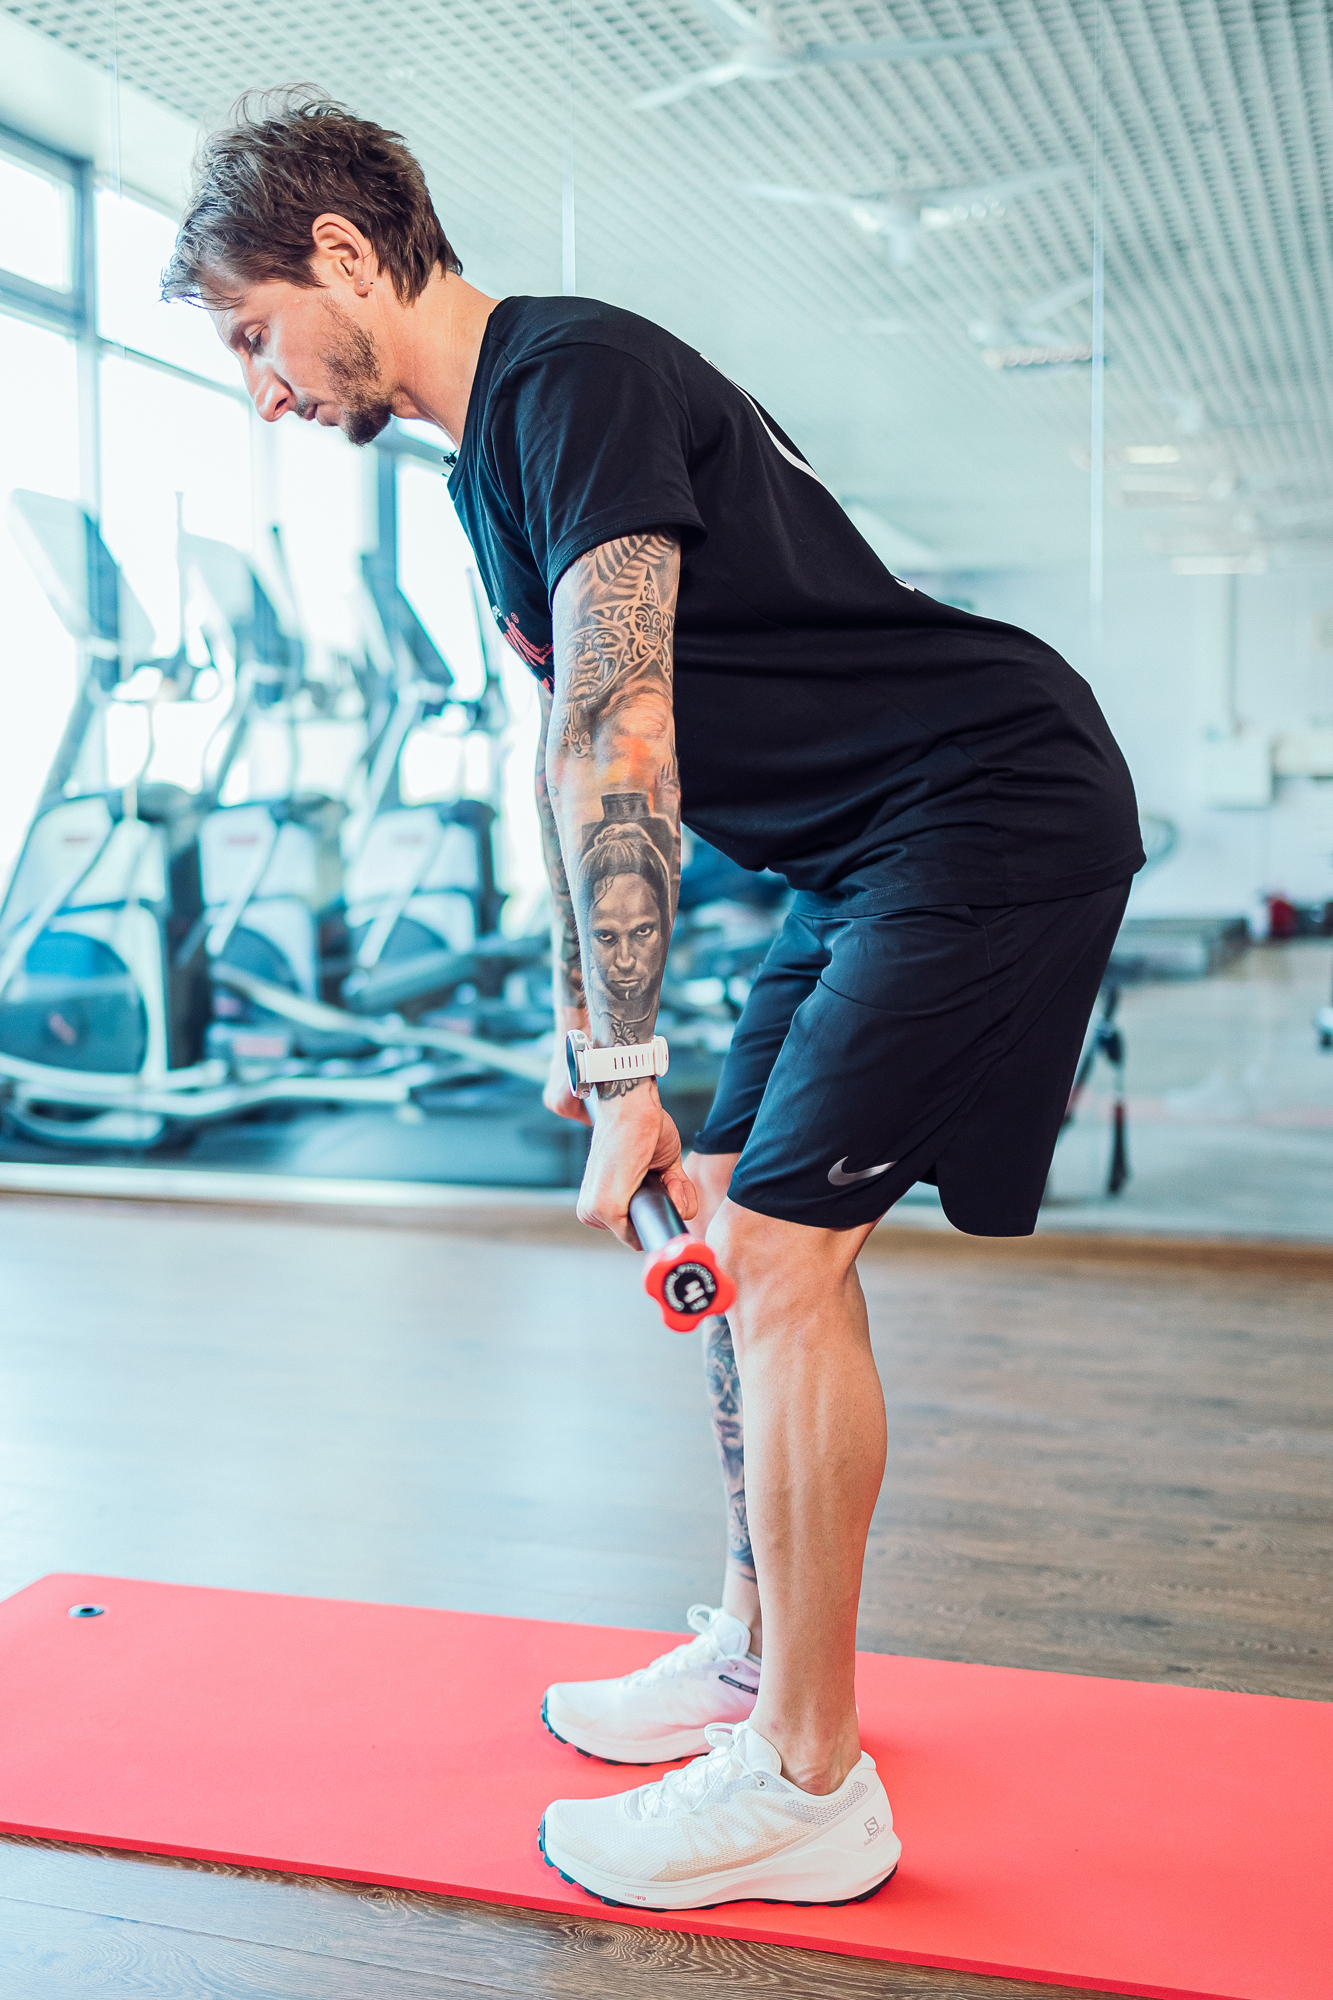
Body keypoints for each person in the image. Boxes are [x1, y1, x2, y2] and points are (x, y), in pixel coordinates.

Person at [165, 90, 1145, 1913]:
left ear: (346, 256)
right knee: (739, 1229)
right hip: (864, 849)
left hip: (985, 805)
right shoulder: (490, 455)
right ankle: (755, 1653)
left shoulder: (571, 377)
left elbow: (620, 724)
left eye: (251, 333)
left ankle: (807, 1782)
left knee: (776, 1258)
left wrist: (624, 1060)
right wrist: (587, 1028)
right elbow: (568, 749)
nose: (262, 387)